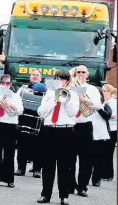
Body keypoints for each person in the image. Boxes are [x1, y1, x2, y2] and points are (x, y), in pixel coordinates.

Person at [37, 70, 79, 205]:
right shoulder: (49, 93)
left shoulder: (73, 94)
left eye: (62, 80)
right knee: (47, 165)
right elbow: (41, 112)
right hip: (49, 131)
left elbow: (73, 112)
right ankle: (45, 195)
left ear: (67, 81)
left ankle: (64, 196)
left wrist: (65, 100)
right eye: (57, 79)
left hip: (65, 131)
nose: (60, 82)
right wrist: (54, 101)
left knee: (64, 166)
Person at [68, 65, 102, 197]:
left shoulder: (92, 89)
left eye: (83, 72)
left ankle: (82, 187)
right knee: (69, 159)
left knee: (86, 160)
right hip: (71, 126)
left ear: (88, 74)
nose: (81, 74)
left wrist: (84, 99)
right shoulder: (69, 88)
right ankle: (70, 185)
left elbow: (98, 105)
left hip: (86, 125)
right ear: (74, 74)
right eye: (78, 72)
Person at [0, 74, 23, 188]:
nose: (5, 85)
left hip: (10, 125)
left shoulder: (15, 96)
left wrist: (11, 104)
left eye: (7, 83)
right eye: (3, 83)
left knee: (9, 153)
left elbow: (20, 110)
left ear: (11, 85)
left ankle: (9, 179)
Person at [15, 69, 43, 178]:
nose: (35, 77)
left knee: (38, 147)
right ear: (30, 77)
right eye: (33, 75)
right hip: (24, 120)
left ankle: (37, 170)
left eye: (37, 75)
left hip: (38, 122)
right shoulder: (22, 89)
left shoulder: (47, 91)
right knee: (22, 145)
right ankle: (20, 169)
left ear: (40, 78)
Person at [90, 87, 112, 187]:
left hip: (101, 136)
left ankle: (96, 179)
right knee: (87, 159)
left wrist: (99, 108)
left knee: (98, 159)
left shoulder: (105, 105)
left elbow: (107, 116)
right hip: (89, 134)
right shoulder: (87, 105)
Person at [101, 84, 117, 181]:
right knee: (102, 152)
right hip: (104, 129)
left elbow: (114, 115)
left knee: (109, 153)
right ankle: (102, 172)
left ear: (110, 92)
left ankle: (109, 174)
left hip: (112, 129)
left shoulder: (113, 102)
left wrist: (104, 114)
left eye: (105, 91)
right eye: (102, 90)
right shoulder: (103, 102)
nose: (103, 93)